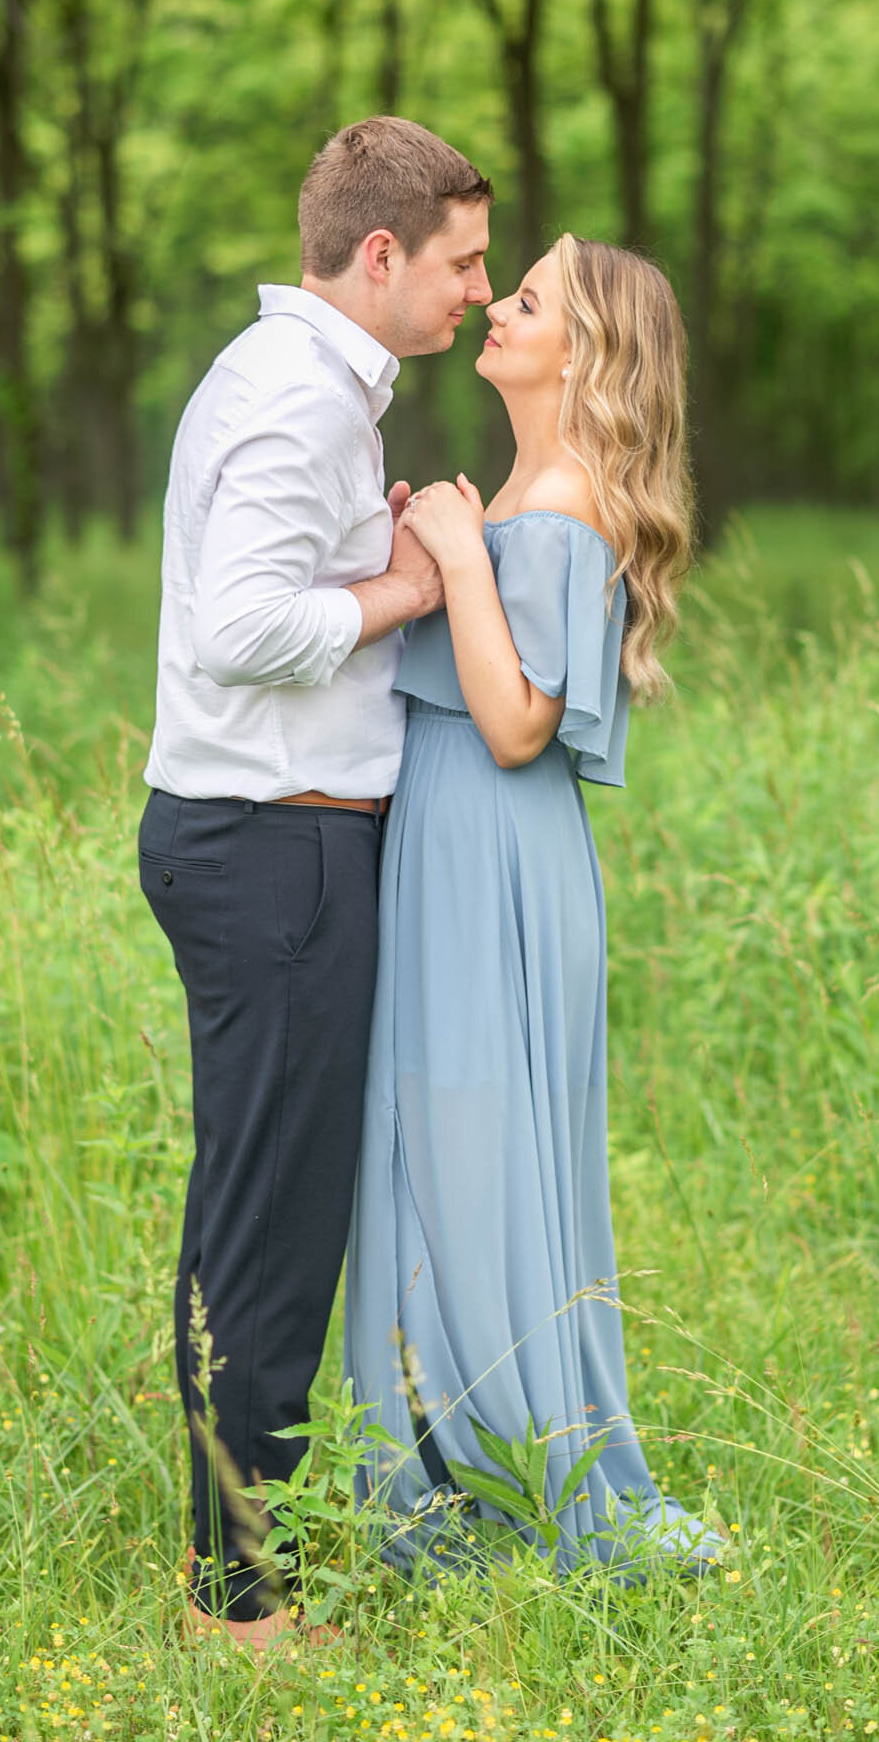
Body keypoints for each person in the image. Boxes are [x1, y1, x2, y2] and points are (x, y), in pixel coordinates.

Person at [139, 116, 492, 1649]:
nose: (478, 292)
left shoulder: (310, 384)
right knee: (269, 1227)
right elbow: (241, 629)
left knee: (260, 1211)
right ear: (379, 254)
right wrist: (412, 585)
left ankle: (242, 1571)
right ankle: (242, 1610)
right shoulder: (296, 399)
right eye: (464, 263)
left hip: (280, 838)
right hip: (273, 843)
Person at [344, 233, 727, 1578]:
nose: (496, 310)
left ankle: (497, 1474)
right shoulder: (523, 491)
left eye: (527, 300)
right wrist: (436, 548)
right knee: (440, 1147)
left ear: (588, 353)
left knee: (476, 1156)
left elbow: (515, 723)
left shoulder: (561, 505)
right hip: (457, 844)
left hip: (495, 849)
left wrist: (455, 557)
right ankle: (448, 1460)